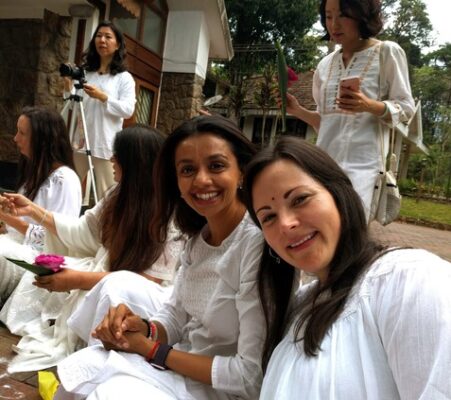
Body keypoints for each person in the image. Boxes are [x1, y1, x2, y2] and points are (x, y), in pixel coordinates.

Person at [54, 115, 265, 400]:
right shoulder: (198, 236)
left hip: (219, 388)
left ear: (241, 171)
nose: (201, 180)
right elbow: (177, 314)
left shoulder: (256, 244)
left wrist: (152, 350)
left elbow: (250, 377)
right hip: (181, 361)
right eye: (188, 169)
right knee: (79, 373)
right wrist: (143, 327)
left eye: (216, 166)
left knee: (108, 393)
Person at [242, 136, 451, 399]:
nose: (285, 224)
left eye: (299, 199)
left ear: (339, 194)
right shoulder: (299, 307)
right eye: (268, 217)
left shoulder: (407, 281)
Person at [0, 125, 183, 373]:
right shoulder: (118, 195)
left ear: (134, 164)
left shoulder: (169, 215)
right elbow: (82, 232)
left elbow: (145, 281)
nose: (111, 159)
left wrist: (76, 280)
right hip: (102, 270)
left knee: (105, 293)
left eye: (117, 155)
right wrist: (33, 211)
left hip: (134, 295)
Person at [281, 0, 415, 220]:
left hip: (364, 169)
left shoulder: (387, 52)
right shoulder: (325, 65)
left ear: (362, 14)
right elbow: (325, 122)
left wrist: (370, 105)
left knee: (349, 232)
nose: (334, 24)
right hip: (322, 169)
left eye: (343, 15)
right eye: (328, 16)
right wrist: (298, 110)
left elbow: (407, 109)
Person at [0, 106, 81, 305]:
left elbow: (58, 237)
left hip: (39, 258)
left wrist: (7, 217)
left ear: (42, 140)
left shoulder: (65, 180)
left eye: (22, 133)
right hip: (14, 242)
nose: (15, 138)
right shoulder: (33, 171)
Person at [64, 20, 136, 199]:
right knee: (68, 187)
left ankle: (105, 228)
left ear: (117, 44)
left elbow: (128, 110)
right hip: (80, 141)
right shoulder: (86, 73)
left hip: (106, 144)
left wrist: (103, 97)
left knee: (107, 196)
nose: (102, 40)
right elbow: (74, 104)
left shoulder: (124, 78)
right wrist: (68, 87)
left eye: (108, 37)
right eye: (98, 36)